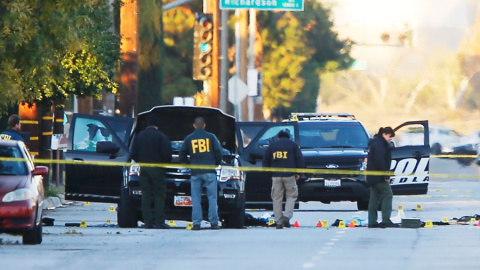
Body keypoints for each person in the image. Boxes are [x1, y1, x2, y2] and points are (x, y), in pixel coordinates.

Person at [179, 117, 223, 231]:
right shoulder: (211, 137)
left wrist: (188, 164)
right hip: (209, 171)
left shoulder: (189, 138)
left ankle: (196, 223)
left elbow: (182, 155)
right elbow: (219, 152)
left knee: (196, 198)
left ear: (194, 125)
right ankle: (214, 222)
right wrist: (215, 164)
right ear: (204, 125)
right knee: (212, 198)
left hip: (195, 172)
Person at [129, 114, 172, 229]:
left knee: (146, 195)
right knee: (159, 194)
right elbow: (167, 154)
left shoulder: (139, 136)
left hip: (143, 168)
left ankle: (147, 221)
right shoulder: (161, 136)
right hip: (157, 168)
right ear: (157, 125)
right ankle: (159, 221)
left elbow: (132, 153)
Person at [262, 130, 305, 229]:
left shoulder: (272, 145)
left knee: (276, 198)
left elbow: (266, 160)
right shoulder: (293, 145)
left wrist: (268, 173)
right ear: (288, 137)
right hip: (289, 175)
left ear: (278, 137)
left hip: (276, 176)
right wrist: (298, 172)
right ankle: (286, 216)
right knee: (291, 196)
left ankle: (279, 221)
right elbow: (299, 158)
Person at [367, 126, 398, 228]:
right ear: (384, 134)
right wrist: (386, 174)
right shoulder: (380, 145)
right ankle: (386, 220)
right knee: (388, 194)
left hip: (372, 176)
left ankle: (372, 221)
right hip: (378, 176)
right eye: (390, 136)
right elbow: (380, 161)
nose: (390, 139)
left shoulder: (375, 143)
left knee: (374, 198)